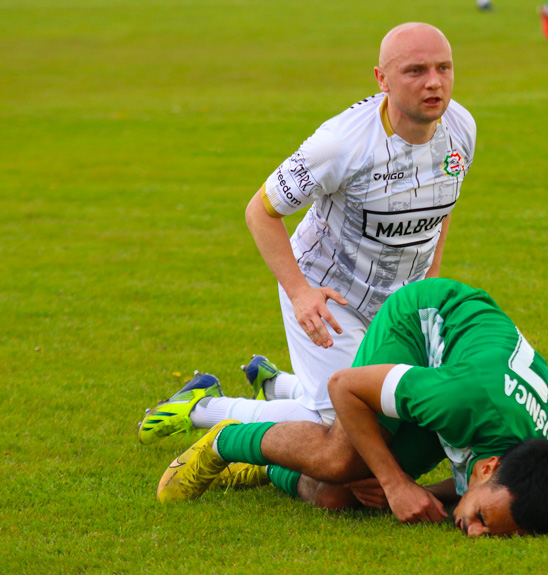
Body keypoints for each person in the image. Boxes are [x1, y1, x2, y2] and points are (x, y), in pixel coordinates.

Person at [137, 23, 477, 444]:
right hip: (327, 294)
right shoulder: (340, 144)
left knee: (399, 409)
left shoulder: (460, 128)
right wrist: (301, 293)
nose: (434, 82)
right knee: (342, 428)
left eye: (444, 68)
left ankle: (280, 386)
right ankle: (205, 406)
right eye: (415, 71)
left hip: (399, 300)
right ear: (382, 79)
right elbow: (260, 212)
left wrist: (432, 276)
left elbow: (443, 204)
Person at [156, 279, 548, 537]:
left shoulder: (544, 473)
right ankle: (223, 440)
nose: (474, 533)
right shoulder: (462, 403)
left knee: (336, 497)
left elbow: (473, 484)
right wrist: (395, 481)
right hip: (422, 322)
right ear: (489, 468)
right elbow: (344, 387)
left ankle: (268, 466)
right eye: (484, 521)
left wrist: (414, 492)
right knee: (340, 458)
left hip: (454, 381)